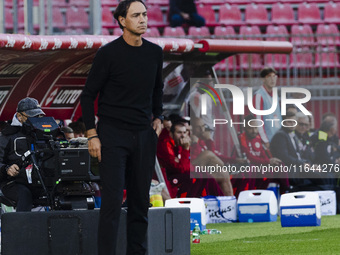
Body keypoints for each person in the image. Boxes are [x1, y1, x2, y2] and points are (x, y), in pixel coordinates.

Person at [80, 1, 164, 254]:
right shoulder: (108, 54)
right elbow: (87, 96)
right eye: (136, 15)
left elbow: (157, 89)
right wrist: (92, 135)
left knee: (140, 203)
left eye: (145, 15)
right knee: (113, 203)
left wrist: (158, 117)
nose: (143, 19)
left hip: (143, 135)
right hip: (112, 134)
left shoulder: (155, 52)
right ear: (121, 20)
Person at [0, 97, 45, 211]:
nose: (35, 120)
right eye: (31, 116)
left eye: (38, 116)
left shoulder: (43, 134)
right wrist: (6, 168)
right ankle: (22, 228)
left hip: (40, 180)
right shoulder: (6, 135)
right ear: (19, 116)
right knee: (24, 194)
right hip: (12, 182)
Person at [157, 121, 223, 197]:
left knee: (205, 175)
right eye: (179, 132)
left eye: (184, 132)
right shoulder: (167, 145)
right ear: (171, 134)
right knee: (195, 176)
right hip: (170, 179)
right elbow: (181, 169)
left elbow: (187, 165)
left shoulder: (182, 144)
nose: (182, 135)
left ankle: (220, 201)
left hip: (183, 175)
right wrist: (185, 149)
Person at [253, 67, 281, 148]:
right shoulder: (259, 95)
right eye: (269, 76)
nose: (272, 79)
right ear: (263, 79)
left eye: (274, 76)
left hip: (278, 139)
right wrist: (265, 140)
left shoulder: (275, 95)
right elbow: (258, 119)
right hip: (267, 141)